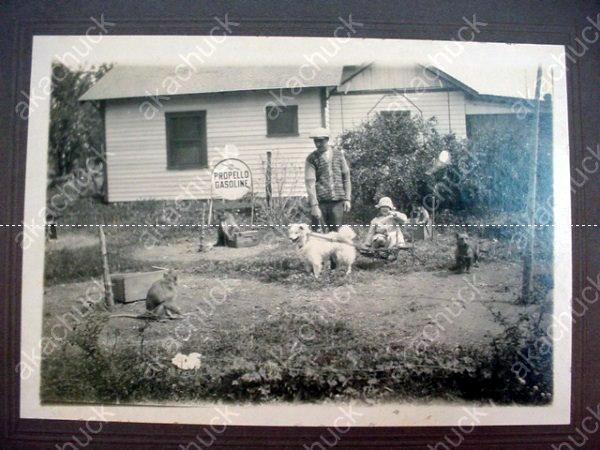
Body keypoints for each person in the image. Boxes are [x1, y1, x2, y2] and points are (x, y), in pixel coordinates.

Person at [305, 127, 352, 233]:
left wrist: (347, 199)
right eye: (315, 141)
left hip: (337, 203)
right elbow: (310, 183)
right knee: (319, 233)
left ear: (327, 139)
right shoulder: (312, 158)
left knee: (336, 233)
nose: (318, 144)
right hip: (320, 203)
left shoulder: (339, 155)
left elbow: (346, 178)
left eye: (320, 141)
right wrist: (314, 205)